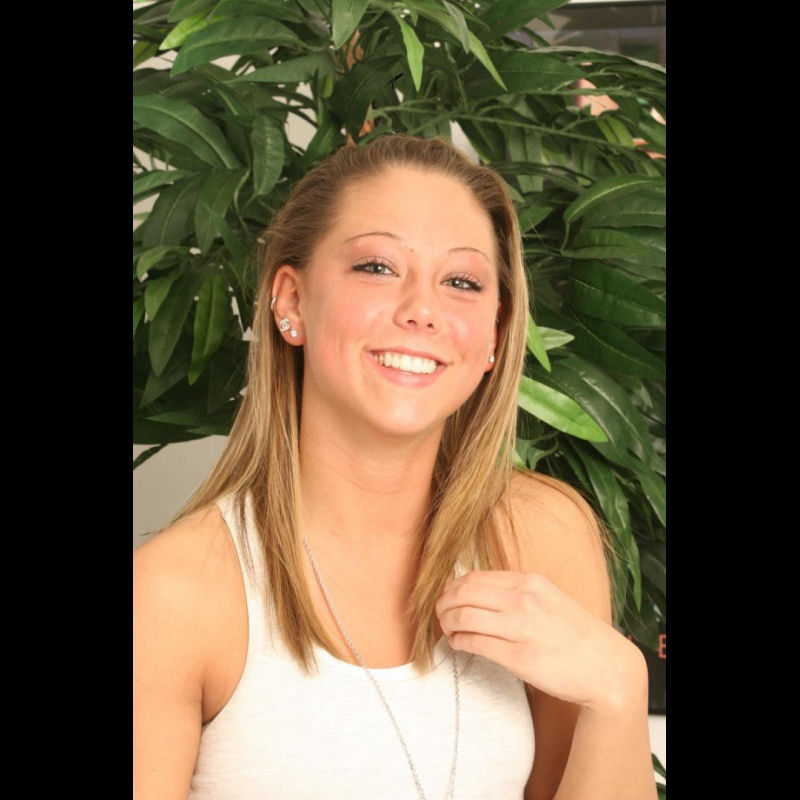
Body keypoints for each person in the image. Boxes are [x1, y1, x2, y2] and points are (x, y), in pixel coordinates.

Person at [133, 134, 656, 799]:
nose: (423, 311)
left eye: (462, 282)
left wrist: (618, 688)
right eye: (377, 267)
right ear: (291, 302)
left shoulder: (541, 537)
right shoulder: (173, 594)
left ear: (495, 335)